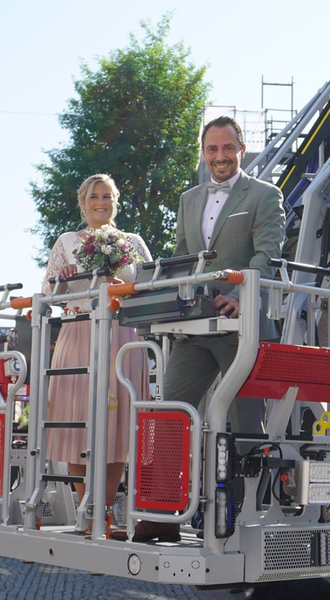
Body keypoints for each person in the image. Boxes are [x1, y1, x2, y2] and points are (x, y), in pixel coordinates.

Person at [121, 116, 285, 543]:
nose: (220, 157)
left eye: (227, 149)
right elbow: (181, 257)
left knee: (247, 424)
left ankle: (250, 518)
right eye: (212, 150)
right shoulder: (189, 199)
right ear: (204, 152)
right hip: (194, 327)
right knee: (169, 415)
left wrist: (243, 291)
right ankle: (163, 516)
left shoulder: (266, 195)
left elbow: (268, 255)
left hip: (241, 327)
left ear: (241, 149)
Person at [44, 173, 152, 531]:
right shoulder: (67, 241)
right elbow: (48, 290)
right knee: (78, 426)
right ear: (83, 201)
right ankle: (85, 511)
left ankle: (104, 512)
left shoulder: (133, 242)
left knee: (118, 429)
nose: (100, 202)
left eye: (107, 195)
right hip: (79, 333)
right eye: (94, 196)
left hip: (123, 336)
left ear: (115, 200)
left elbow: (152, 285)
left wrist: (126, 289)